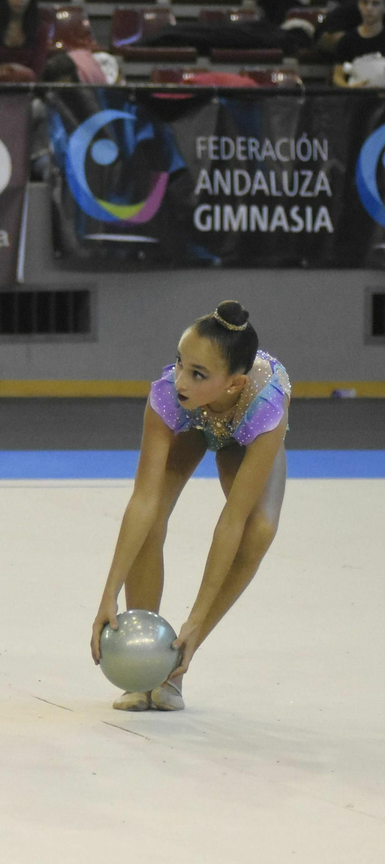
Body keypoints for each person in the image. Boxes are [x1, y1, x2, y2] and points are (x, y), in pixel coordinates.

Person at [90, 301, 289, 712]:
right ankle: (143, 660)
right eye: (180, 363)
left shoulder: (265, 404)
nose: (180, 379)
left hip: (243, 435)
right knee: (151, 522)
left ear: (234, 383)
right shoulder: (169, 395)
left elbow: (231, 522)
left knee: (258, 531)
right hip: (193, 423)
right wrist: (109, 594)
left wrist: (195, 620)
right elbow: (143, 501)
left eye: (198, 374)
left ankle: (177, 662)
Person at [330, 0, 385, 86]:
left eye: (375, 3)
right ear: (359, 5)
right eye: (365, 2)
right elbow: (337, 76)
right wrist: (349, 88)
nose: (369, 8)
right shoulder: (347, 40)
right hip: (356, 94)